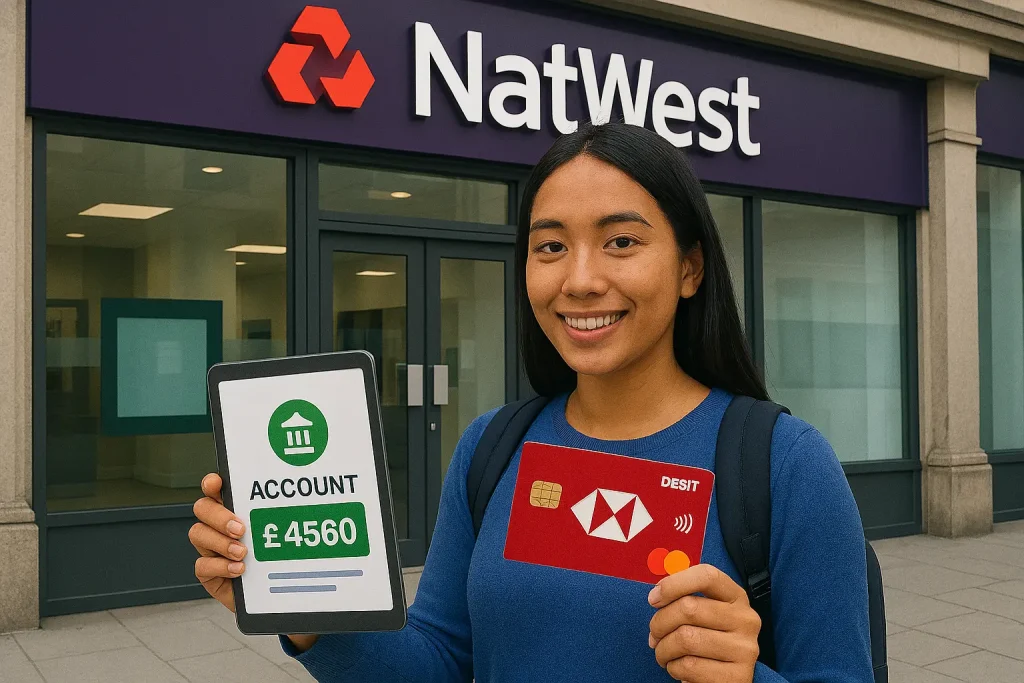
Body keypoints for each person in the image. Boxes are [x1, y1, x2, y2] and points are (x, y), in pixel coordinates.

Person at [191, 122, 872, 682]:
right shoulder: (493, 448)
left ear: (690, 267)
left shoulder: (788, 464)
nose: (579, 279)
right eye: (550, 246)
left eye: (621, 242)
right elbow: (438, 664)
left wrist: (744, 675)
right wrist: (313, 620)